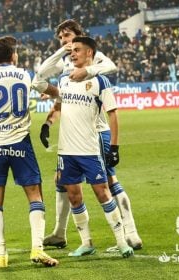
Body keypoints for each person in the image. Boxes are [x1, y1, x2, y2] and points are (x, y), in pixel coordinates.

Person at [33, 19, 142, 251]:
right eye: (61, 38)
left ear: (79, 36)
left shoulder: (93, 57)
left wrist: (87, 71)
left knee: (108, 182)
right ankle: (61, 233)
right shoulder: (66, 62)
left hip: (96, 132)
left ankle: (130, 234)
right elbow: (61, 96)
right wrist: (48, 122)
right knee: (62, 181)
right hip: (73, 137)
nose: (64, 41)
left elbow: (111, 67)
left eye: (68, 36)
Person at [0, 35, 59, 268]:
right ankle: (37, 248)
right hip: (20, 143)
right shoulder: (25, 74)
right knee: (35, 195)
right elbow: (48, 91)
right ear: (13, 55)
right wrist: (48, 92)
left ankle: (1, 255)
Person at [51, 36, 133, 258]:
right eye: (71, 51)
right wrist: (49, 121)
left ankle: (122, 241)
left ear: (90, 53)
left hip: (89, 149)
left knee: (102, 193)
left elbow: (112, 114)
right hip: (66, 152)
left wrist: (114, 147)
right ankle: (86, 242)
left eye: (77, 50)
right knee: (74, 196)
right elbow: (58, 104)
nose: (73, 53)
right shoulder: (63, 79)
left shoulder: (100, 81)